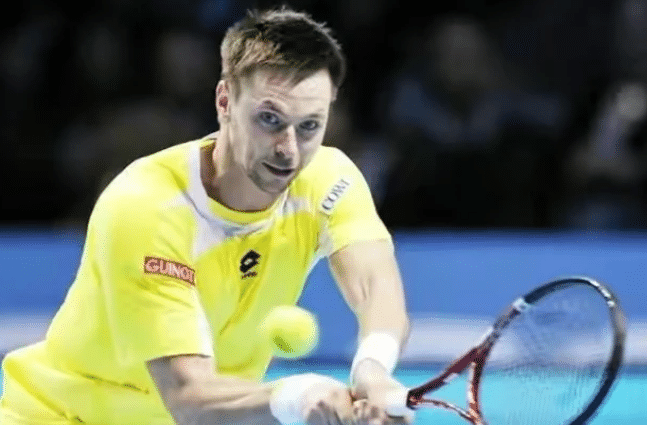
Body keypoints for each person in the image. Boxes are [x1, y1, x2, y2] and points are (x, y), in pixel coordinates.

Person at [0, 7, 412, 425]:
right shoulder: (149, 205)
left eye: (309, 126)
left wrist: (373, 370)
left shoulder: (328, 178)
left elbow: (375, 283)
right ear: (225, 102)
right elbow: (188, 396)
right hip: (62, 417)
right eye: (270, 119)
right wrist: (298, 395)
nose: (288, 150)